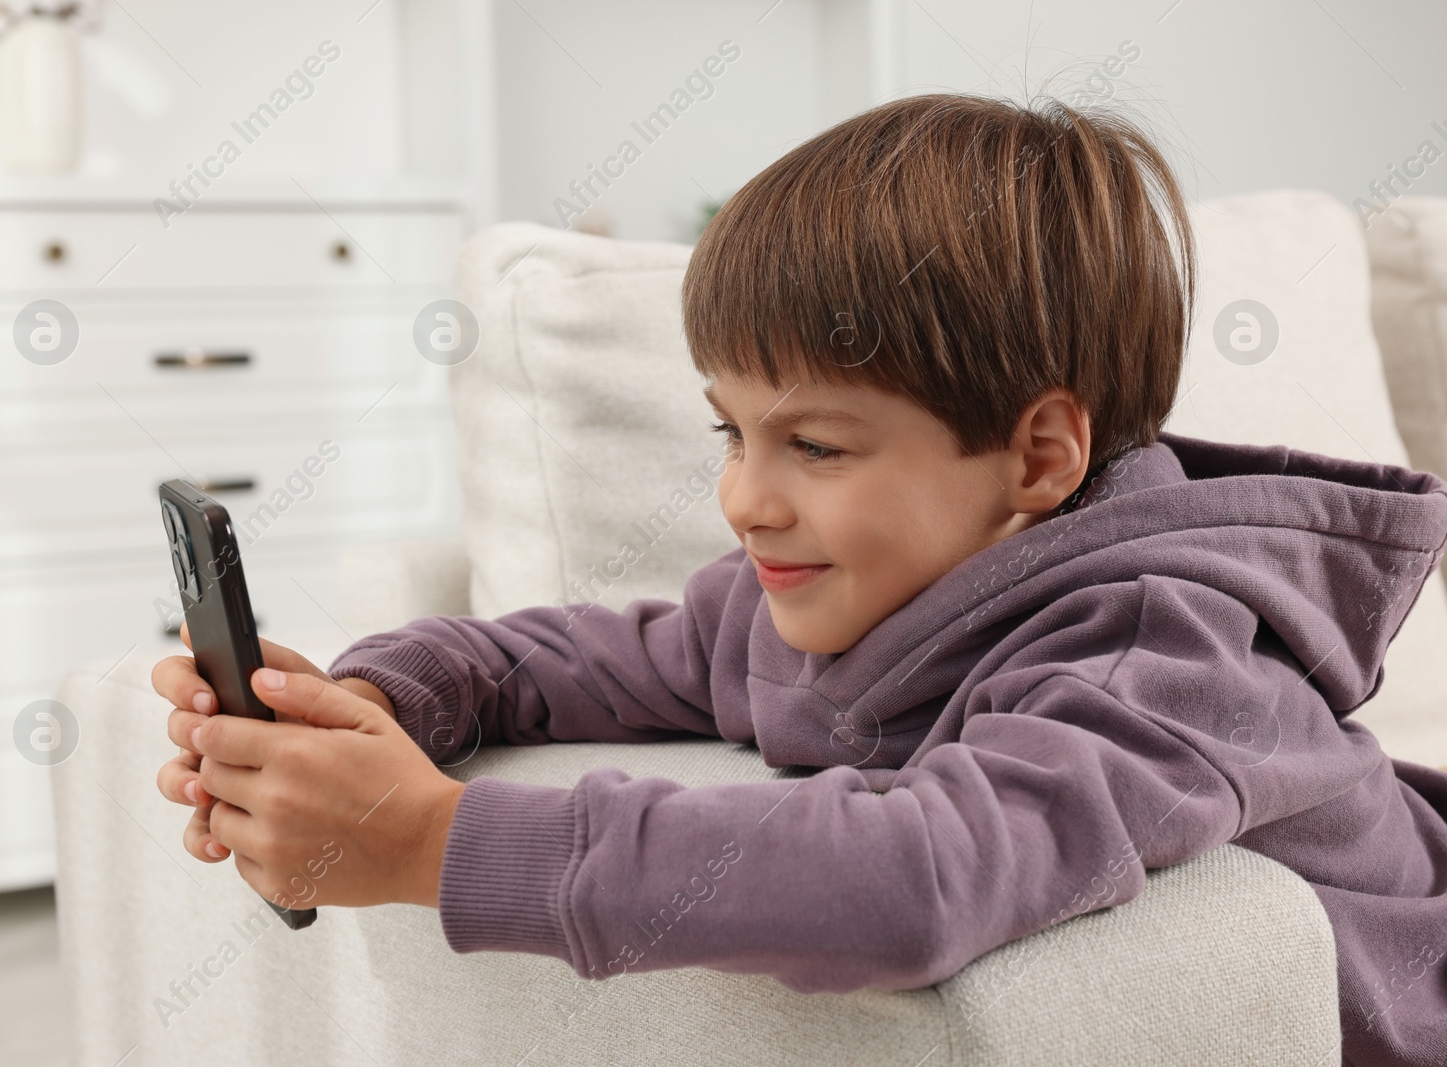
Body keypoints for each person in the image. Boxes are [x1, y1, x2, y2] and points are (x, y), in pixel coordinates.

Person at [151, 93, 1447, 1066]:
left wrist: (435, 845)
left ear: (1038, 455)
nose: (745, 498)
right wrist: (379, 702)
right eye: (731, 429)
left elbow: (923, 874)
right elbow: (567, 660)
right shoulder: (822, 597)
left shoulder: (1166, 662)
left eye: (815, 444)